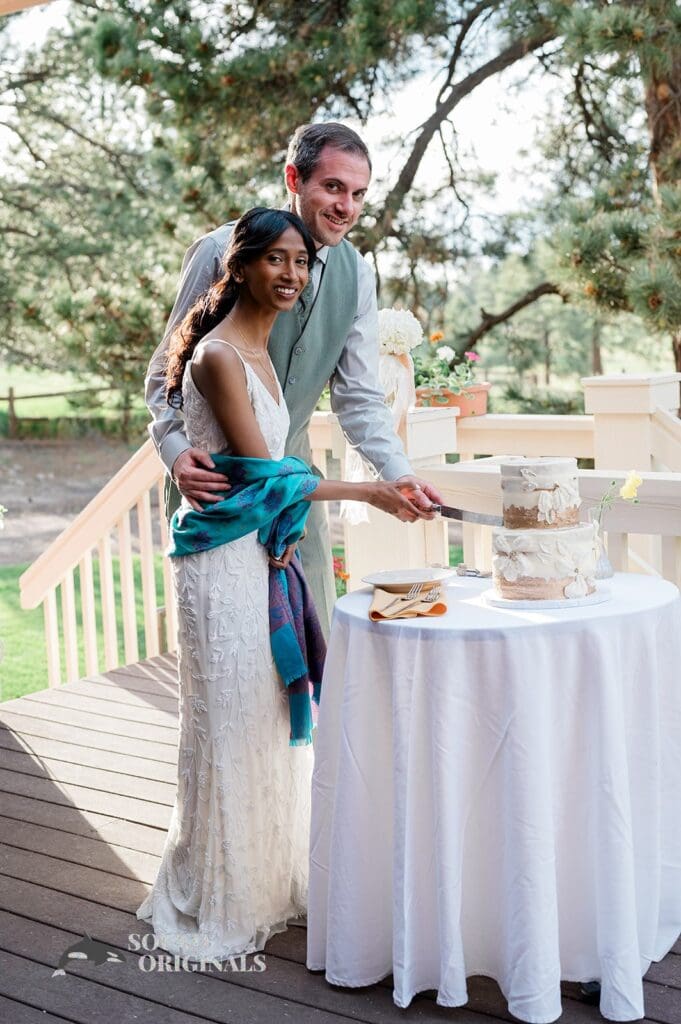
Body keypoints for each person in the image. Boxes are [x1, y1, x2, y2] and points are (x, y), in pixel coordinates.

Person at [136, 207, 431, 961]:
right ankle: (220, 889)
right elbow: (266, 476)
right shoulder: (219, 359)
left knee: (264, 717)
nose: (292, 274)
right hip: (218, 561)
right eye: (275, 260)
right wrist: (367, 493)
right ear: (236, 266)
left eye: (300, 263)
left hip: (255, 552)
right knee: (228, 721)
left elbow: (322, 431)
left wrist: (383, 473)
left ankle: (264, 879)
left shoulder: (260, 352)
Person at [145, 121, 443, 636]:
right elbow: (163, 373)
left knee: (310, 645)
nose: (345, 206)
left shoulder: (358, 275)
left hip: (299, 495)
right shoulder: (222, 250)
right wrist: (174, 453)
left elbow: (359, 399)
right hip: (217, 495)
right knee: (228, 648)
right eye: (332, 187)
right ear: (294, 179)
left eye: (357, 194)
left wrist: (399, 474)